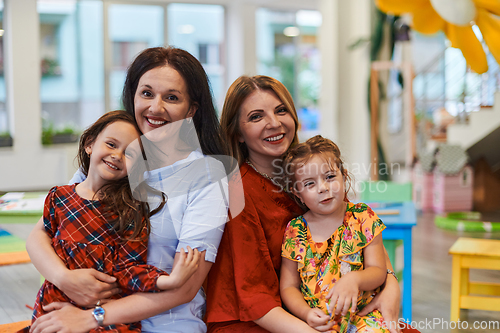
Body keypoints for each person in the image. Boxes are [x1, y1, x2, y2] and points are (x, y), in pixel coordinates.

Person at [27, 47, 230, 333]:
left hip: (162, 325)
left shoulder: (206, 176)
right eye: (146, 93)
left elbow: (186, 287)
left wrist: (92, 316)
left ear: (191, 110)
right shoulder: (112, 157)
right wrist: (64, 279)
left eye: (171, 97)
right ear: (133, 95)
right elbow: (41, 233)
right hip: (80, 313)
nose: (155, 108)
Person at [206, 75, 419, 333]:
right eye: (256, 116)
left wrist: (391, 286)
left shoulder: (311, 171)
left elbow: (356, 230)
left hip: (326, 311)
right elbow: (254, 298)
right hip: (256, 319)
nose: (274, 123)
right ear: (237, 133)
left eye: (281, 110)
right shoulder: (236, 192)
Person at [28, 110, 201, 333]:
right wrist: (63, 277)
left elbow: (129, 270)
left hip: (106, 318)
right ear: (89, 144)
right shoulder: (57, 198)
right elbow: (42, 240)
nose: (118, 155)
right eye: (111, 144)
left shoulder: (129, 211)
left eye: (129, 154)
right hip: (53, 308)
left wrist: (168, 281)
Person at [280, 135, 388, 333]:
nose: (323, 188)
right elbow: (288, 286)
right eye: (310, 184)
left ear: (344, 176)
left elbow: (379, 271)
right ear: (297, 193)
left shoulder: (363, 217)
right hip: (318, 322)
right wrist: (306, 313)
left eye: (330, 177)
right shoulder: (295, 230)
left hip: (362, 317)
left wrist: (355, 279)